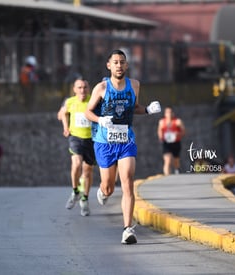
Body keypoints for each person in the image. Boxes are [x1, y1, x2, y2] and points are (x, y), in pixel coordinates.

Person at [85, 49, 161, 244]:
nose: (119, 65)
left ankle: (128, 229)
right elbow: (88, 112)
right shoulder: (101, 88)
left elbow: (134, 108)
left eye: (122, 62)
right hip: (104, 142)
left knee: (127, 180)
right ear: (109, 65)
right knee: (109, 187)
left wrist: (148, 110)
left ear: (127, 65)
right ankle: (103, 191)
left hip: (126, 139)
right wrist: (101, 120)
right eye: (115, 62)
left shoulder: (134, 85)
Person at [60, 79, 95, 216]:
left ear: (89, 88)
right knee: (76, 164)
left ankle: (85, 199)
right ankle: (75, 191)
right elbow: (63, 113)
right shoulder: (70, 102)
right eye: (79, 87)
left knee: (87, 171)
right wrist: (65, 127)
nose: (82, 90)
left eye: (85, 87)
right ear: (74, 89)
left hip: (91, 140)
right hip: (75, 138)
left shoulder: (93, 100)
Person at [157, 107, 185, 175]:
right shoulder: (162, 122)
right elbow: (159, 131)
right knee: (167, 161)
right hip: (166, 143)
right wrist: (161, 137)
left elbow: (183, 132)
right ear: (165, 114)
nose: (169, 114)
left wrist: (178, 133)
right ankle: (167, 176)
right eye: (167, 112)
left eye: (170, 112)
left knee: (176, 160)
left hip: (176, 142)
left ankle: (176, 170)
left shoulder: (178, 121)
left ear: (173, 113)